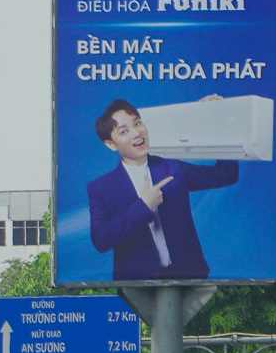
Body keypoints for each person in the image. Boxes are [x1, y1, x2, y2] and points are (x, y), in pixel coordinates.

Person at [86, 97, 239, 282]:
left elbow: (226, 175)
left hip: (189, 277)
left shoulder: (173, 168)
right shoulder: (101, 188)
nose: (136, 133)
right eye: (124, 131)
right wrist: (144, 206)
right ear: (111, 144)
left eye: (138, 123)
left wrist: (216, 119)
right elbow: (101, 240)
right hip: (137, 285)